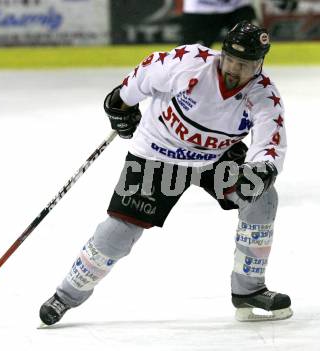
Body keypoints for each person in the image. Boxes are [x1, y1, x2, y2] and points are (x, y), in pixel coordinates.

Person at [39, 21, 292, 325]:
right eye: (232, 60)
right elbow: (145, 75)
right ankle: (66, 295)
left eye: (246, 65)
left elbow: (270, 140)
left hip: (214, 160)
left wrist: (261, 169)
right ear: (222, 53)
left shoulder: (263, 94)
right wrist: (122, 102)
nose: (235, 70)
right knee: (121, 231)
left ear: (260, 64)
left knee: (261, 198)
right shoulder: (189, 63)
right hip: (157, 155)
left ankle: (249, 289)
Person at [179, 0, 299, 48]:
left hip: (238, 7)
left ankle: (248, 79)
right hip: (200, 10)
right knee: (190, 55)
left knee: (250, 43)